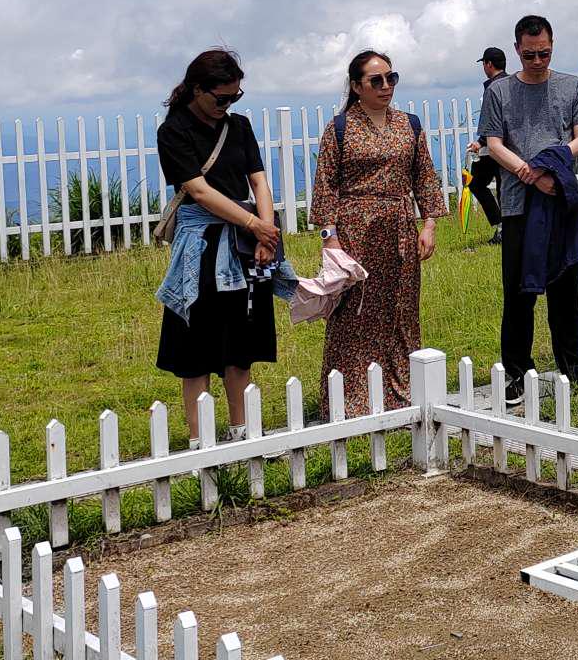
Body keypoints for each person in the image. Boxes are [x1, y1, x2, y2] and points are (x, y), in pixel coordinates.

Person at [154, 48, 284, 444]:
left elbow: (259, 181)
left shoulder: (239, 127)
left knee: (241, 342)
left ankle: (241, 430)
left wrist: (266, 232)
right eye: (221, 98)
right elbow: (197, 190)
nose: (227, 105)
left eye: (235, 97)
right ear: (198, 89)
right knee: (195, 347)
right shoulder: (174, 131)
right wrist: (256, 226)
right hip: (202, 245)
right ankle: (200, 438)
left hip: (246, 241)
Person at [311, 51, 448, 413]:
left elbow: (425, 177)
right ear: (357, 86)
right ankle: (352, 397)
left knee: (401, 308)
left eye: (391, 78)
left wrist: (429, 224)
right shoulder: (340, 128)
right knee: (353, 311)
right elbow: (325, 185)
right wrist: (331, 241)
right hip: (355, 228)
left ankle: (401, 389)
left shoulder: (409, 124)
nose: (386, 86)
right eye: (376, 80)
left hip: (400, 228)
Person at [481, 14, 578, 393]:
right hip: (518, 204)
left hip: (559, 199)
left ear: (552, 47)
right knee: (518, 292)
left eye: (543, 53)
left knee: (566, 287)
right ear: (517, 50)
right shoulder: (499, 92)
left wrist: (552, 162)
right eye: (529, 54)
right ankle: (516, 372)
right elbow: (494, 143)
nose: (536, 61)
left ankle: (573, 368)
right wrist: (529, 172)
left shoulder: (571, 88)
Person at [465, 48, 508, 239]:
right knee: (504, 187)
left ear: (488, 64)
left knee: (476, 183)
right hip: (512, 146)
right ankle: (505, 228)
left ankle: (501, 226)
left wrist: (480, 142)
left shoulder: (492, 88)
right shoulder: (513, 83)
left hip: (494, 146)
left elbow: (492, 119)